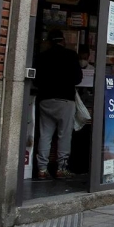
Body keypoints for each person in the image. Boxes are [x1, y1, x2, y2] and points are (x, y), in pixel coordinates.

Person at [34, 29, 83, 180]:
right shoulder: (71, 55)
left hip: (46, 100)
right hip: (65, 100)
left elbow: (36, 80)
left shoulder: (42, 56)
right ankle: (61, 168)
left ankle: (42, 169)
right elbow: (78, 78)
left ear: (49, 42)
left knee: (45, 135)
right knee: (64, 135)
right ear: (63, 40)